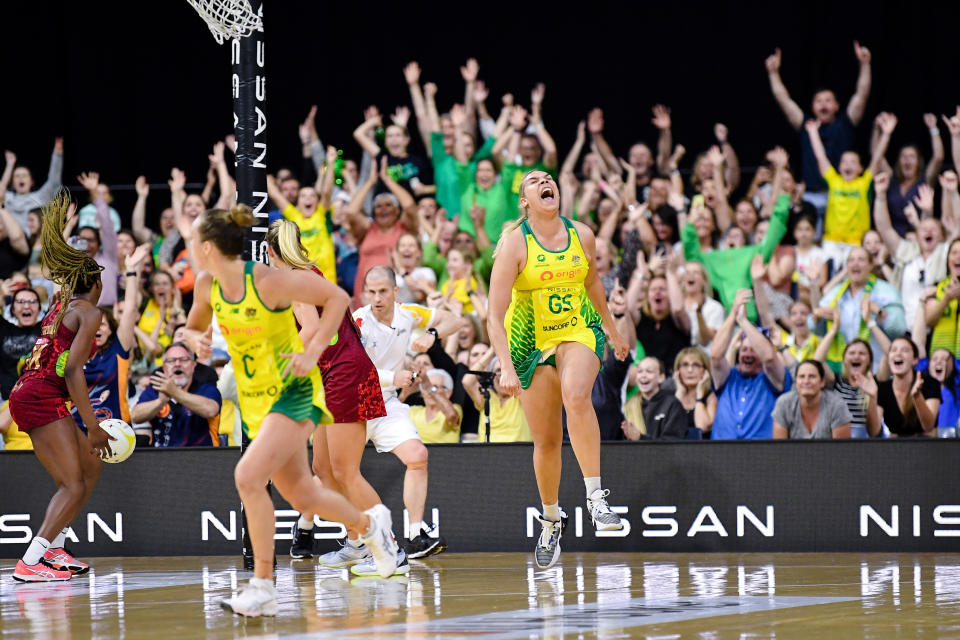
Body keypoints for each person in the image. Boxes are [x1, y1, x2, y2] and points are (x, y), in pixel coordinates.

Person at [182, 204, 397, 616]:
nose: (190, 248)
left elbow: (335, 298)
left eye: (193, 241)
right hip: (256, 400)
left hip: (295, 393)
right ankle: (372, 529)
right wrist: (195, 339)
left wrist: (313, 349)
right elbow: (193, 326)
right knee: (305, 494)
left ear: (207, 247)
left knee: (247, 476)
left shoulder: (266, 280)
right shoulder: (207, 284)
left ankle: (263, 584)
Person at [487, 170, 630, 570]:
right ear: (525, 201)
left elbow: (593, 284)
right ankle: (551, 519)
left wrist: (613, 331)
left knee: (577, 394)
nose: (545, 181)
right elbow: (493, 316)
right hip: (529, 342)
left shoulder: (582, 233)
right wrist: (506, 367)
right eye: (534, 181)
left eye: (548, 178)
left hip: (577, 329)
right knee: (547, 442)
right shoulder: (514, 243)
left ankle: (596, 498)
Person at [262, 220, 397, 567]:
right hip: (330, 375)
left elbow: (308, 328)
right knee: (323, 469)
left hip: (344, 372)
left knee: (346, 471)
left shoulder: (294, 280)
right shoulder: (308, 271)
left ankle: (391, 549)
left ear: (270, 251)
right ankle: (358, 541)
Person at [7, 192, 110, 582]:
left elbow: (64, 270)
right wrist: (93, 424)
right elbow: (71, 372)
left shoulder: (60, 301)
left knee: (90, 467)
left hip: (32, 391)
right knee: (72, 483)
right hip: (40, 395)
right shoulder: (88, 311)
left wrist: (61, 231)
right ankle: (31, 560)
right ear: (96, 282)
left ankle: (54, 550)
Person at [352, 265, 468, 562]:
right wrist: (395, 378)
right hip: (353, 405)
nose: (376, 298)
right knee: (331, 475)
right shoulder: (359, 322)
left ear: (394, 292)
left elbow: (455, 320)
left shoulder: (408, 313)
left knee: (417, 456)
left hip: (386, 404)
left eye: (382, 291)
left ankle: (415, 535)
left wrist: (432, 335)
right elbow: (354, 372)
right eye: (371, 292)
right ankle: (321, 531)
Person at [765, 43, 871, 211]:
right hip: (810, 195)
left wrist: (865, 65)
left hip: (841, 193)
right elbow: (783, 100)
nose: (823, 105)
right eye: (819, 102)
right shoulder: (807, 125)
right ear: (813, 107)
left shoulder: (846, 123)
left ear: (836, 105)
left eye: (828, 101)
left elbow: (862, 94)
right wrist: (773, 73)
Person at [73, 244, 151, 429]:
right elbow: (60, 304)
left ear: (110, 330)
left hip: (116, 431)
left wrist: (131, 270)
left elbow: (130, 309)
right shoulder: (73, 351)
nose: (97, 328)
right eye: (93, 324)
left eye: (103, 324)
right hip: (76, 431)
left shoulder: (118, 348)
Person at [805, 113, 894, 268]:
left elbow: (877, 158)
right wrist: (813, 133)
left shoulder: (864, 183)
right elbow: (821, 157)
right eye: (844, 162)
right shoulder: (834, 181)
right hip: (832, 240)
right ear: (839, 167)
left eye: (853, 162)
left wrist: (886, 134)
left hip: (855, 242)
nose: (848, 165)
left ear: (860, 168)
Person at [710, 289, 790, 440]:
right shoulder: (729, 376)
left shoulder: (774, 377)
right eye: (744, 350)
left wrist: (743, 321)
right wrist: (733, 315)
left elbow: (768, 358)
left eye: (753, 350)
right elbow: (715, 356)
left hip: (760, 456)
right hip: (722, 454)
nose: (747, 354)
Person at [819, 247, 905, 372]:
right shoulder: (836, 293)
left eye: (861, 259)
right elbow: (815, 328)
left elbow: (899, 329)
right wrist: (817, 318)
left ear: (871, 265)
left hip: (877, 369)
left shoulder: (887, 291)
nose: (855, 263)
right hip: (843, 371)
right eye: (851, 260)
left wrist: (880, 314)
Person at [130, 342, 222, 447]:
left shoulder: (206, 389)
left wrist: (174, 392)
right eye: (171, 361)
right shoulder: (155, 390)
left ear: (193, 365)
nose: (177, 364)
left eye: (184, 360)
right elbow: (136, 416)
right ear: (164, 367)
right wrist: (159, 402)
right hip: (160, 457)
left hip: (200, 457)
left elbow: (211, 410)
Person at [873, 337, 940, 437]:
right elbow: (873, 431)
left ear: (915, 360)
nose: (898, 354)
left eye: (904, 350)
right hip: (895, 448)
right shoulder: (883, 389)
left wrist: (917, 396)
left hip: (927, 446)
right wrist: (871, 397)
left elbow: (928, 426)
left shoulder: (929, 383)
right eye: (893, 350)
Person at [772, 360, 852, 439]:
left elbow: (842, 449)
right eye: (802, 376)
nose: (806, 381)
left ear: (822, 382)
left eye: (812, 376)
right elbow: (779, 448)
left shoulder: (836, 405)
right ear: (796, 382)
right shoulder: (784, 403)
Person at [620, 357, 688, 441]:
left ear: (661, 377)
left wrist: (640, 438)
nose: (643, 375)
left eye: (649, 371)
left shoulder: (673, 404)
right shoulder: (629, 404)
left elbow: (672, 443)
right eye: (640, 371)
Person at [2, 139, 63, 230]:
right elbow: (0, 191)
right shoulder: (7, 197)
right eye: (17, 176)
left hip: (33, 241)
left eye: (24, 176)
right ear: (13, 184)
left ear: (31, 182)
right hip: (8, 240)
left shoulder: (40, 197)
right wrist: (10, 165)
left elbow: (54, 182)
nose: (21, 178)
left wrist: (57, 154)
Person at [0, 286, 43, 401]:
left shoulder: (46, 329)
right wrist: (2, 296)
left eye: (32, 302)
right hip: (7, 402)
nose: (27, 306)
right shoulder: (3, 329)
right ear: (13, 309)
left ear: (39, 308)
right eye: (20, 302)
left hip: (38, 401)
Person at [924, 239, 960, 357]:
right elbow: (929, 321)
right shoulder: (937, 287)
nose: (958, 257)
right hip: (941, 358)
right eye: (954, 253)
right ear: (948, 259)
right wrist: (947, 298)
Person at [409, 369, 462, 443]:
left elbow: (452, 415)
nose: (429, 392)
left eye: (434, 387)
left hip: (445, 454)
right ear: (422, 393)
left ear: (448, 393)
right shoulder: (413, 411)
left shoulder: (455, 408)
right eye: (425, 388)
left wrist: (428, 386)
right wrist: (404, 394)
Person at [672, 347, 716, 437]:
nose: (690, 370)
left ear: (705, 370)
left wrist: (699, 395)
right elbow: (670, 428)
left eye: (696, 365)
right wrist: (680, 392)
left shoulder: (710, 397)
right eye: (685, 365)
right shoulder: (673, 396)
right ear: (678, 370)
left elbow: (702, 427)